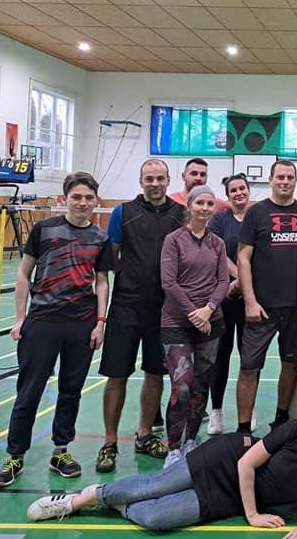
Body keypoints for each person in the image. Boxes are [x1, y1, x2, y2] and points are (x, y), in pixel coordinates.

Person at [27, 395, 297, 533]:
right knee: (154, 486)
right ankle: (80, 499)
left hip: (231, 497)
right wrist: (253, 515)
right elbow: (246, 464)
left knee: (157, 518)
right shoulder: (296, 430)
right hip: (225, 461)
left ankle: (117, 503)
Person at [0, 172, 112, 488]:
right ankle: (15, 455)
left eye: (88, 197)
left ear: (95, 200)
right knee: (29, 391)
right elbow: (23, 274)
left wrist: (100, 322)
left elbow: (101, 281)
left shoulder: (101, 238)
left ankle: (61, 451)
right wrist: (20, 318)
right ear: (64, 199)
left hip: (81, 324)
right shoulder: (43, 230)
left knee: (71, 390)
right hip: (42, 321)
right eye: (77, 197)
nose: (83, 202)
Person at [97, 159, 185, 473]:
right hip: (126, 306)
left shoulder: (180, 214)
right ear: (141, 181)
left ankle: (145, 435)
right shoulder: (123, 213)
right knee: (116, 375)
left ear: (168, 180)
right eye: (149, 178)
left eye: (160, 178)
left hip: (163, 310)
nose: (155, 184)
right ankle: (109, 442)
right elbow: (112, 257)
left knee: (154, 374)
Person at [237, 160, 297, 432]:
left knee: (290, 363)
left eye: (290, 177)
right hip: (261, 307)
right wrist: (250, 301)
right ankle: (243, 428)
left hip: (296, 306)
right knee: (249, 367)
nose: (285, 182)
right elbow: (243, 258)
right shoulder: (256, 213)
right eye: (280, 177)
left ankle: (281, 418)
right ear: (270, 179)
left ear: (296, 181)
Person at [160, 185, 229, 465]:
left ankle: (191, 440)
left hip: (211, 322)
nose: (205, 208)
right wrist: (194, 313)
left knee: (201, 385)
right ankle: (173, 448)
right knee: (183, 386)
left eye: (210, 204)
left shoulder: (218, 243)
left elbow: (223, 281)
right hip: (176, 322)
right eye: (200, 203)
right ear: (189, 206)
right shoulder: (173, 240)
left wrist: (208, 309)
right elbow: (169, 282)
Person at [206, 173, 252, 435]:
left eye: (242, 188)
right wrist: (237, 279)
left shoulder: (257, 217)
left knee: (249, 358)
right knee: (220, 356)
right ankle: (216, 412)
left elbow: (260, 253)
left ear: (248, 190)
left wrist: (245, 285)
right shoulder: (219, 220)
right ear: (228, 195)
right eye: (233, 190)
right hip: (224, 298)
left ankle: (248, 409)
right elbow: (218, 253)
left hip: (249, 300)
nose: (239, 193)